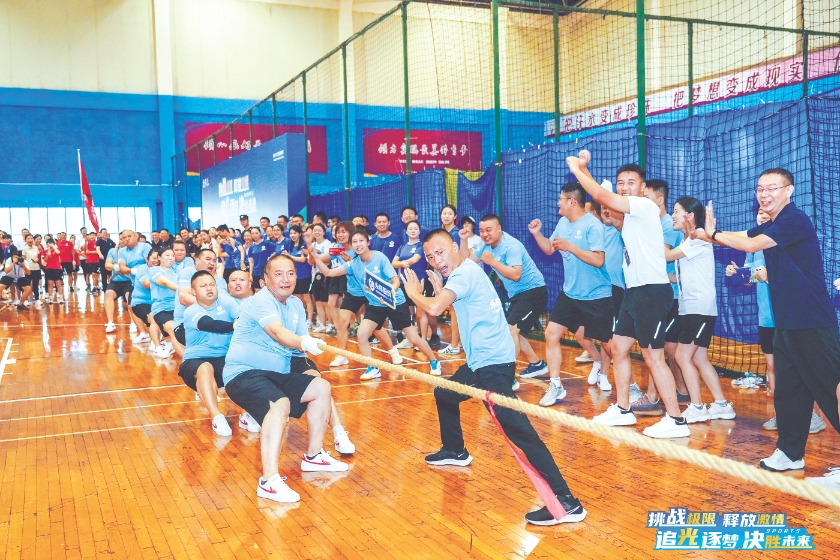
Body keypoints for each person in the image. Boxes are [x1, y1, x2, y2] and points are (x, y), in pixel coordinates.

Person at [403, 229, 587, 526]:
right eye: (430, 257)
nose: (437, 260)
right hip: (481, 363)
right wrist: (440, 292)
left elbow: (435, 308)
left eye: (440, 252)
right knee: (445, 392)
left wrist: (414, 293)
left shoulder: (463, 274)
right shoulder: (464, 272)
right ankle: (455, 450)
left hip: (493, 366)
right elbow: (453, 306)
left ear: (454, 247)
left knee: (520, 431)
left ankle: (567, 502)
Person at [695, 168, 839, 487]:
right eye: (760, 189)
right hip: (786, 322)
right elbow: (747, 237)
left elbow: (752, 244)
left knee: (832, 390)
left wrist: (714, 235)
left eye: (772, 188)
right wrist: (710, 233)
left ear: (789, 190)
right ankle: (789, 453)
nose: (764, 194)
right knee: (789, 391)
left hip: (812, 322)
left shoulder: (793, 220)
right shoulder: (773, 224)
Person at [566, 151, 689, 438]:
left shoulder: (644, 206)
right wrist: (586, 170)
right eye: (620, 182)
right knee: (618, 348)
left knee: (653, 357)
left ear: (643, 188)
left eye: (630, 182)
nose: (624, 187)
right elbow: (606, 203)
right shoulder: (632, 217)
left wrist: (577, 169)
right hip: (633, 293)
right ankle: (623, 410)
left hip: (651, 293)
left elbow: (602, 196)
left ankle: (676, 419)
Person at [223, 254, 348, 503]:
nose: (286, 279)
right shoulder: (261, 301)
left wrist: (308, 347)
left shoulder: (295, 305)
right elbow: (279, 333)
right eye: (278, 274)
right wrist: (304, 342)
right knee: (279, 404)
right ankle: (269, 481)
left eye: (290, 273)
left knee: (321, 387)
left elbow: (298, 344)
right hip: (244, 373)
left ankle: (314, 456)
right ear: (265, 279)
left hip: (278, 374)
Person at [727, 209, 826, 434]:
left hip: (789, 315)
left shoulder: (785, 238)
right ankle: (783, 414)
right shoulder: (753, 246)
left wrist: (765, 275)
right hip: (767, 316)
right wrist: (737, 273)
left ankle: (812, 415)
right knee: (773, 367)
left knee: (799, 366)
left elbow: (788, 274)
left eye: (766, 212)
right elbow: (751, 278)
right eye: (759, 213)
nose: (762, 215)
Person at [527, 182, 614, 407]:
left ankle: (629, 386)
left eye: (561, 199)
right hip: (571, 294)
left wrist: (571, 247)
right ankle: (556, 385)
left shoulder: (593, 225)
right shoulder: (563, 222)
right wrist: (537, 234)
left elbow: (599, 260)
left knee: (610, 345)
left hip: (596, 295)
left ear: (572, 201)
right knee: (551, 334)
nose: (558, 203)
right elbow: (550, 248)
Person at [314, 230, 442, 379]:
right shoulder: (353, 264)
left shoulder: (380, 258)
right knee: (362, 334)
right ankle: (372, 368)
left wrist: (388, 293)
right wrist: (315, 256)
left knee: (413, 338)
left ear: (368, 242)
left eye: (361, 241)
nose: (358, 244)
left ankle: (434, 361)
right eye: (355, 242)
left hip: (395, 302)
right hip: (376, 305)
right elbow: (329, 273)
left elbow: (395, 281)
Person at [664, 197, 736, 423]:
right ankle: (722, 405)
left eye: (676, 211)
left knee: (681, 356)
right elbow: (681, 277)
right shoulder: (687, 240)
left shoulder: (698, 238)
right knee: (699, 358)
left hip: (700, 308)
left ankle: (697, 406)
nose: (673, 216)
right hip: (691, 308)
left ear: (690, 216)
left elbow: (666, 256)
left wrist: (653, 236)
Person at [464, 215, 548, 389]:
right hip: (518, 294)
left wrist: (492, 262)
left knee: (511, 330)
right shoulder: (486, 245)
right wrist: (463, 240)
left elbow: (516, 275)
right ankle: (537, 364)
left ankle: (508, 377)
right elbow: (468, 260)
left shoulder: (511, 246)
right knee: (515, 331)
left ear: (499, 229)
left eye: (489, 230)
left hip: (534, 291)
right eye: (481, 231)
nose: (485, 234)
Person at [631, 180, 690, 416]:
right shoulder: (652, 222)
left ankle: (657, 397)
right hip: (662, 293)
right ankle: (681, 391)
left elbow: (663, 255)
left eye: (646, 198)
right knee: (664, 348)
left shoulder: (665, 225)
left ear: (659, 200)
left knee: (662, 348)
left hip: (669, 294)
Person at [179, 270, 241, 436]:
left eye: (212, 284)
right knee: (205, 368)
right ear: (193, 291)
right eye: (203, 286)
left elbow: (242, 317)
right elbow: (210, 324)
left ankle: (247, 413)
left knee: (241, 367)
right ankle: (217, 417)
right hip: (195, 360)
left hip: (223, 358)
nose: (209, 288)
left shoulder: (226, 302)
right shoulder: (191, 311)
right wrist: (235, 325)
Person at [172, 248, 228, 357]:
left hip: (214, 324)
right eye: (208, 259)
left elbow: (225, 304)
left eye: (214, 260)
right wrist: (211, 306)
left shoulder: (220, 281)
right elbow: (184, 298)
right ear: (196, 260)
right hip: (185, 325)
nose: (212, 263)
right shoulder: (189, 272)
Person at [393, 221, 435, 352]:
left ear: (419, 231)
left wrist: (402, 263)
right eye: (410, 228)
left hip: (419, 281)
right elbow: (393, 263)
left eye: (415, 228)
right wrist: (401, 264)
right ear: (406, 231)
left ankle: (423, 339)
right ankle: (410, 339)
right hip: (404, 282)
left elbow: (414, 259)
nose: (413, 231)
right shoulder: (402, 247)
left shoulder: (421, 246)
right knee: (407, 311)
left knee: (420, 311)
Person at [149, 247, 179, 358]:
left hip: (178, 307)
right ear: (159, 257)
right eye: (167, 255)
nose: (171, 258)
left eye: (173, 255)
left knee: (172, 335)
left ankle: (168, 345)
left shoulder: (177, 271)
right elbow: (165, 283)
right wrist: (183, 290)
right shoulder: (154, 270)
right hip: (161, 308)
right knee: (171, 329)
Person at [128, 250, 159, 348]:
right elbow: (147, 285)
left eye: (158, 258)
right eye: (154, 258)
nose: (156, 260)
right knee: (154, 318)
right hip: (141, 302)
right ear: (147, 259)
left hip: (157, 302)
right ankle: (156, 344)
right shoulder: (142, 269)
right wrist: (164, 282)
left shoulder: (163, 269)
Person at [287, 225, 314, 327]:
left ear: (299, 234)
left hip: (304, 274)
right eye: (291, 233)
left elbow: (303, 259)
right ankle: (301, 318)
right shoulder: (290, 246)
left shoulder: (304, 245)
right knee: (297, 298)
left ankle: (310, 320)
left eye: (295, 233)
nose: (292, 235)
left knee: (306, 297)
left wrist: (289, 256)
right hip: (294, 276)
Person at [247, 227, 275, 293]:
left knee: (268, 291)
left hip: (266, 271)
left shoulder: (267, 243)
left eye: (256, 233)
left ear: (260, 233)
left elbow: (275, 252)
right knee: (258, 291)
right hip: (256, 272)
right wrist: (250, 275)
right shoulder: (251, 247)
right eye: (253, 234)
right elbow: (251, 262)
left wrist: (270, 259)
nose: (255, 235)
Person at [21, 235, 42, 306]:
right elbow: (23, 259)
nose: (30, 240)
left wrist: (37, 259)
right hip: (28, 269)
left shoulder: (36, 248)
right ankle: (26, 299)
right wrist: (24, 269)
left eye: (31, 238)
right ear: (25, 240)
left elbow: (39, 256)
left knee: (36, 284)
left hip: (36, 268)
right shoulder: (24, 249)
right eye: (28, 238)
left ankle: (37, 299)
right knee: (27, 285)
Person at [43, 239, 64, 304]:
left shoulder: (56, 249)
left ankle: (61, 298)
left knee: (58, 283)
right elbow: (45, 260)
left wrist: (53, 246)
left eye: (51, 243)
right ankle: (50, 298)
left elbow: (58, 253)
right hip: (49, 268)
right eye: (48, 244)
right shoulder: (45, 251)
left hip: (57, 268)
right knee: (50, 283)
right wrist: (47, 256)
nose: (49, 245)